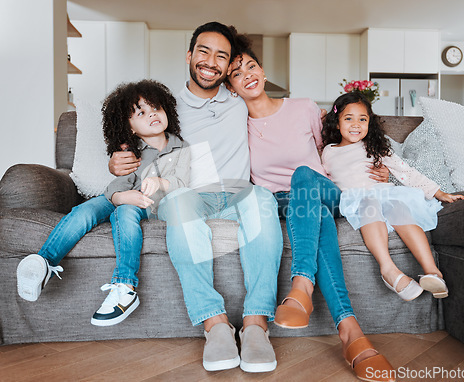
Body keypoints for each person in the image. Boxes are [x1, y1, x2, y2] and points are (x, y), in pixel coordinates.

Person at [109, 22, 282, 374]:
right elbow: (137, 136)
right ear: (190, 55)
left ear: (228, 65)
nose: (211, 61)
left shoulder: (238, 100)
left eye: (222, 56)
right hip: (186, 192)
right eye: (204, 51)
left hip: (236, 191)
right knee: (180, 202)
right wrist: (116, 160)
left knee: (263, 199)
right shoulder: (167, 108)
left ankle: (255, 325)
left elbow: (275, 110)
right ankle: (214, 324)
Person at [225, 35, 395, 382]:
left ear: (262, 69)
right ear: (230, 87)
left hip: (325, 190)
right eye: (237, 73)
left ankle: (302, 284)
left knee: (306, 177)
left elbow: (334, 150)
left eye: (251, 66)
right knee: (313, 214)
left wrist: (379, 168)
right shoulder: (236, 127)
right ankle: (351, 333)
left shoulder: (302, 107)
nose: (248, 75)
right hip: (282, 203)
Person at [16, 79, 190, 327]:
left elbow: (183, 182)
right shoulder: (130, 149)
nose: (152, 114)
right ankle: (44, 261)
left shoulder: (181, 147)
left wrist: (160, 183)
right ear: (129, 127)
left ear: (167, 111)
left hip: (145, 204)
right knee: (84, 210)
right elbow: (119, 184)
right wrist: (120, 197)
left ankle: (125, 286)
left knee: (126, 213)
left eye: (155, 108)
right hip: (117, 196)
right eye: (141, 112)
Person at [322, 92, 464, 301]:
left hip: (383, 193)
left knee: (398, 207)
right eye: (348, 118)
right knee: (369, 203)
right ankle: (388, 270)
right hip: (358, 199)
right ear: (336, 123)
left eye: (362, 119)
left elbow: (405, 171)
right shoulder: (327, 152)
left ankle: (433, 272)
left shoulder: (374, 148)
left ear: (370, 123)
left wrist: (439, 192)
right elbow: (319, 175)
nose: (356, 124)